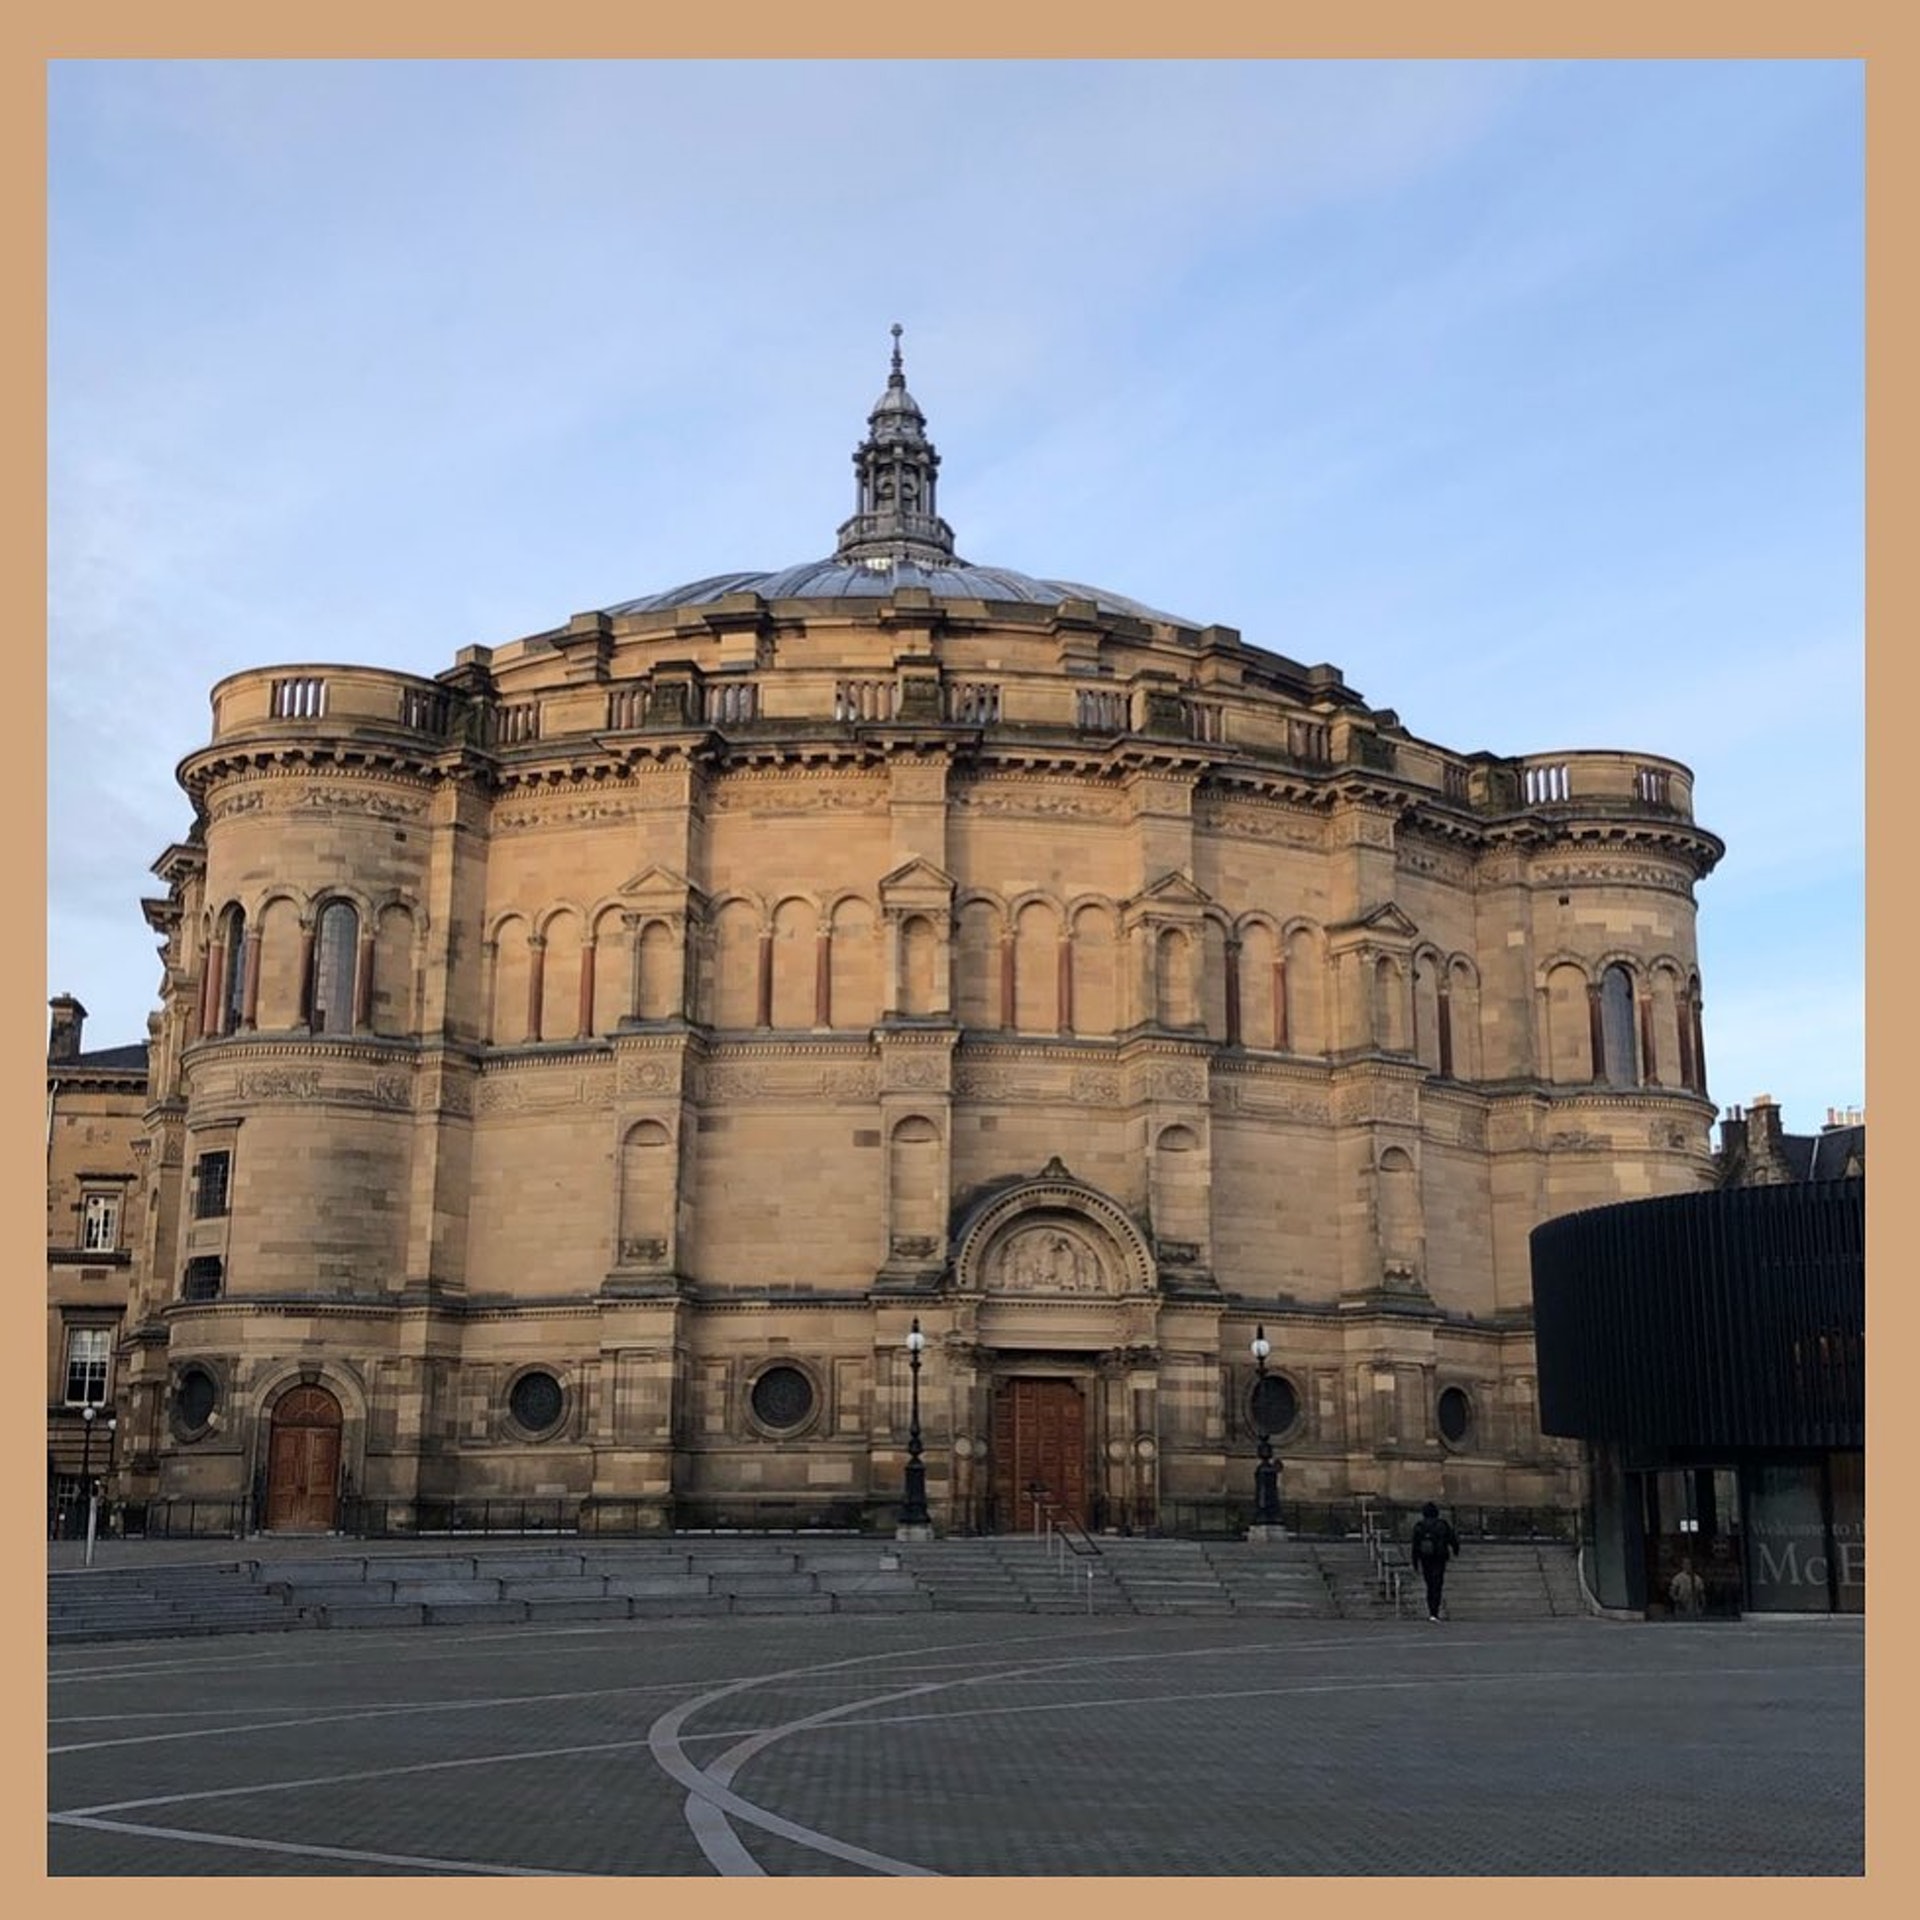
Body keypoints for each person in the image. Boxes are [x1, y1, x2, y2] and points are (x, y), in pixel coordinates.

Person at [1410, 1501, 1460, 1621]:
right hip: (1439, 1557)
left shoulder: (1419, 1526)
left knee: (1429, 1585)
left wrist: (1415, 1562)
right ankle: (1435, 1611)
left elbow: (1415, 1545)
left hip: (1425, 1558)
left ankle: (1431, 1611)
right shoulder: (1442, 1524)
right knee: (1437, 1584)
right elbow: (1452, 1538)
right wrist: (1455, 1550)